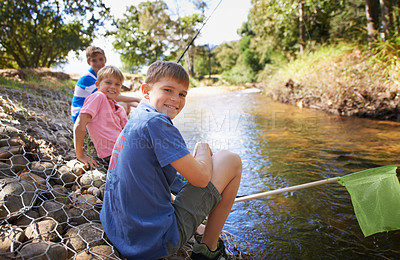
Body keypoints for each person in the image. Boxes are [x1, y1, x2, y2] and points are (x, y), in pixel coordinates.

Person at [100, 61, 242, 259]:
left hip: (120, 230)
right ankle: (208, 249)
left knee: (198, 170)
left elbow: (161, 178)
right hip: (153, 241)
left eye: (182, 94)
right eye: (168, 90)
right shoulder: (157, 122)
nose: (176, 99)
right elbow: (201, 179)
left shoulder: (139, 116)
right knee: (230, 160)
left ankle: (199, 228)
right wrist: (202, 147)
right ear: (146, 90)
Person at [73, 65, 128, 168]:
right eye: (108, 82)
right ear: (98, 84)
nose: (113, 87)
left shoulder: (115, 106)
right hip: (114, 153)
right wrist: (80, 155)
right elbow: (80, 124)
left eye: (117, 84)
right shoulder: (98, 97)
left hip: (125, 148)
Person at [71, 46, 140, 124]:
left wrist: (137, 103)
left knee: (126, 105)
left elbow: (113, 96)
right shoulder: (87, 78)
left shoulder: (102, 76)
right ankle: (114, 131)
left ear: (105, 59)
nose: (98, 63)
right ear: (88, 62)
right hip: (82, 117)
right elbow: (110, 96)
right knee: (120, 106)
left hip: (93, 110)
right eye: (94, 61)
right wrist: (136, 99)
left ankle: (116, 128)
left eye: (101, 59)